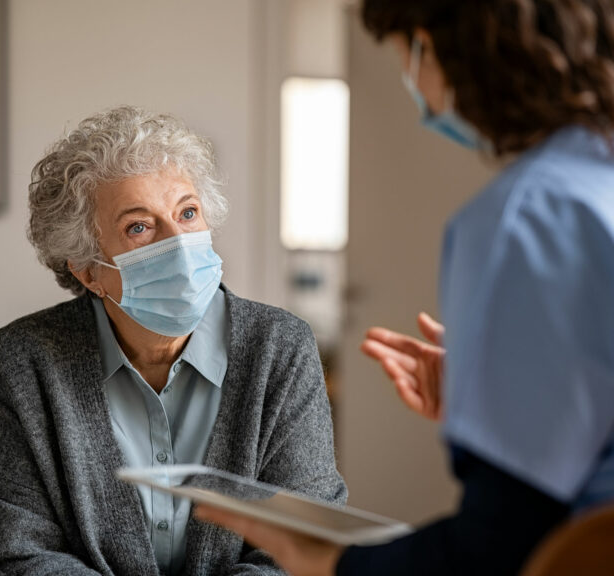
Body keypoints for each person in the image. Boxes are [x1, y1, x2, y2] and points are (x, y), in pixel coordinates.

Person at [196, 1, 614, 574]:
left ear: (430, 46)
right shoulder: (596, 179)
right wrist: (499, 400)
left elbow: (499, 546)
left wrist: (330, 563)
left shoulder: (529, 214)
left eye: (400, 55)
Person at [0, 106, 346, 576]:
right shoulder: (27, 359)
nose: (179, 244)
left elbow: (304, 545)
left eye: (187, 213)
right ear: (88, 270)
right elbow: (12, 555)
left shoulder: (280, 349)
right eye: (139, 227)